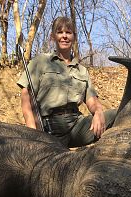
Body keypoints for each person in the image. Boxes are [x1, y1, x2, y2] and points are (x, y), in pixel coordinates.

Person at [17, 16, 116, 147]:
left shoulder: (82, 71)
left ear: (74, 37)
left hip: (77, 126)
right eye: (60, 32)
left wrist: (98, 112)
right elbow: (26, 96)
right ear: (53, 37)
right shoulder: (40, 61)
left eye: (68, 32)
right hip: (49, 128)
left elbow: (92, 101)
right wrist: (33, 132)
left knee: (118, 114)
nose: (64, 36)